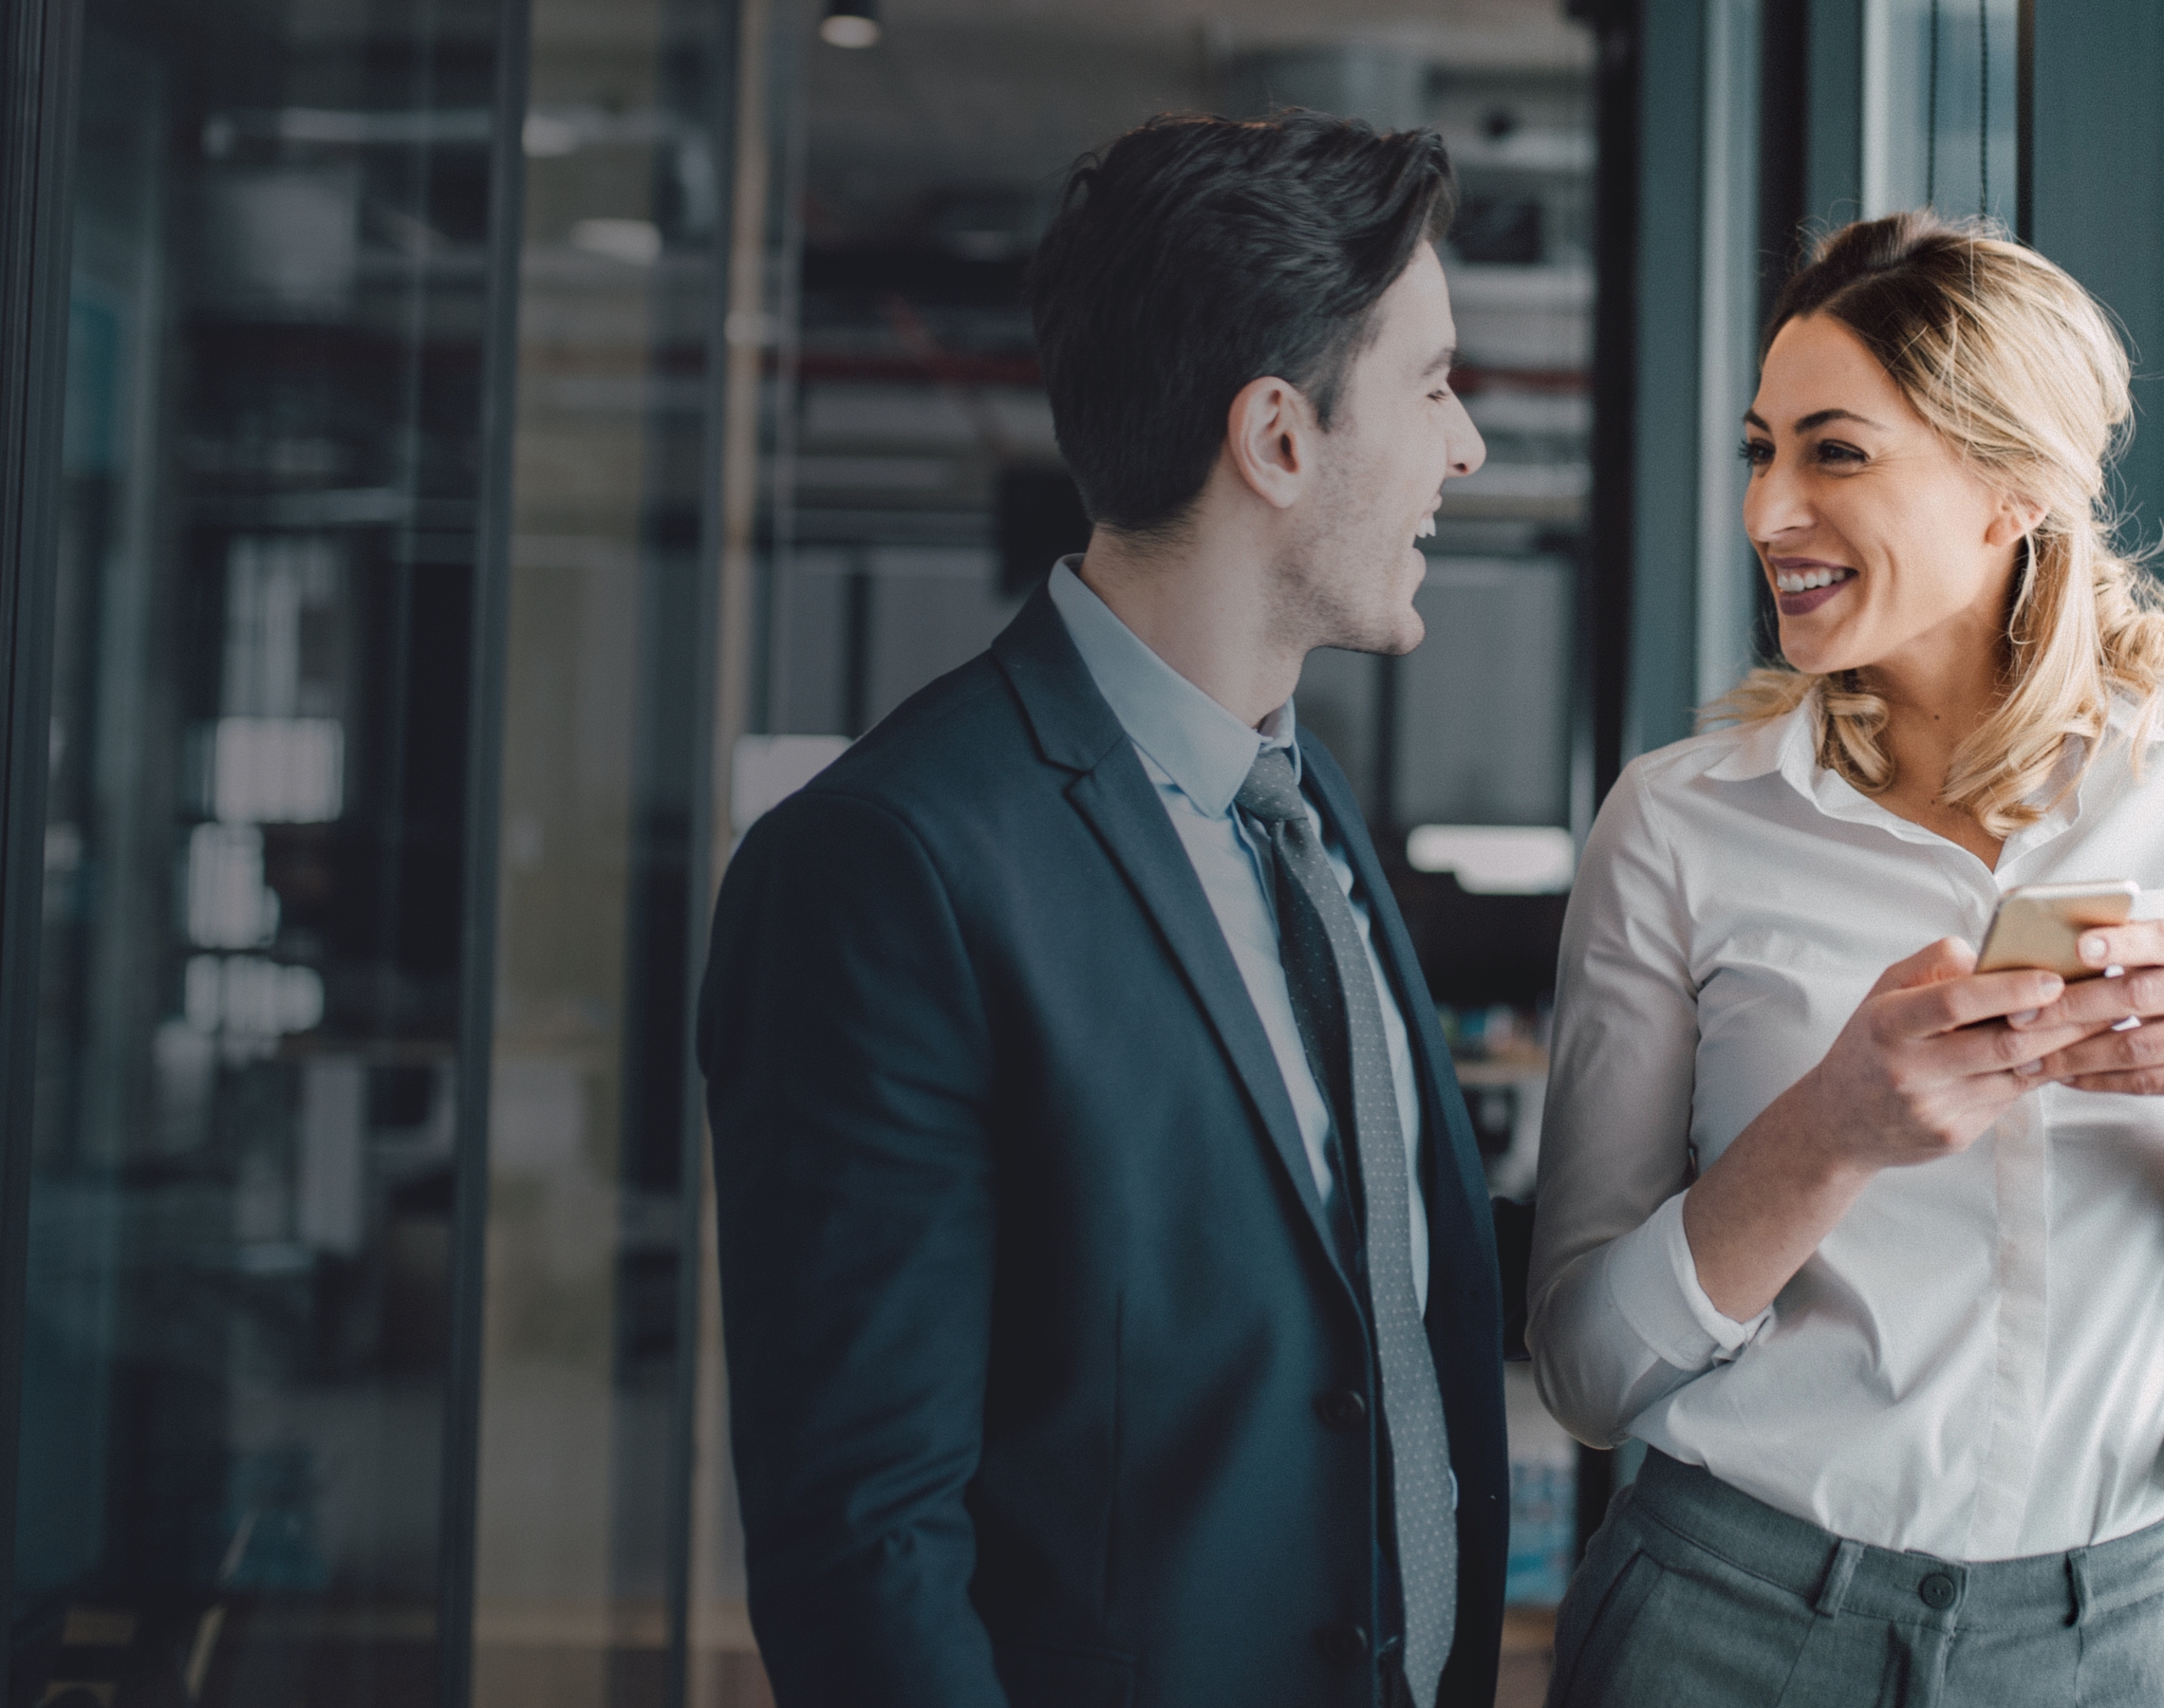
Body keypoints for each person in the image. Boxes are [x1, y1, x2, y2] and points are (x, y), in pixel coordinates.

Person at [698, 112, 1505, 1708]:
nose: (1467, 446)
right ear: (1278, 439)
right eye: (1430, 386)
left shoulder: (1308, 805)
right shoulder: (886, 865)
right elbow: (863, 1545)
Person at [1530, 209, 2164, 1707]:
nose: (1766, 509)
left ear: (2011, 488)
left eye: (1835, 452)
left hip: (2118, 1638)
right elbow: (1584, 1373)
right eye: (1763, 450)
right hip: (1723, 1629)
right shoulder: (1680, 826)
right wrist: (1827, 1135)